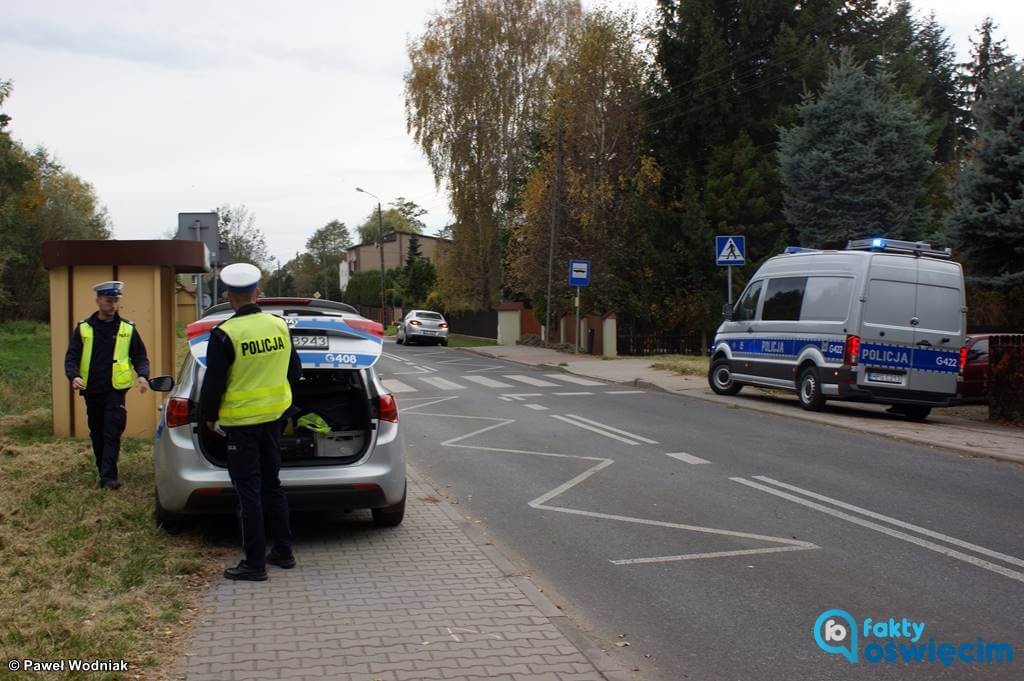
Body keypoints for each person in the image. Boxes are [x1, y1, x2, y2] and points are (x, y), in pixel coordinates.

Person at [199, 263, 302, 581]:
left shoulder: (224, 334)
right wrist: (288, 408)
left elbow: (213, 384)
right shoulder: (279, 326)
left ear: (229, 296)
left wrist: (206, 417)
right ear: (258, 292)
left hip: (241, 425)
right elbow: (294, 371)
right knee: (273, 484)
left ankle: (254, 564)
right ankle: (283, 552)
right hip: (274, 419)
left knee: (248, 492)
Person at [64, 281, 150, 490]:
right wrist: (73, 376)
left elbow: (140, 356)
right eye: (109, 301)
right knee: (98, 432)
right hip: (92, 389)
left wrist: (143, 375)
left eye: (116, 301)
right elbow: (71, 357)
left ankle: (108, 478)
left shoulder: (127, 329)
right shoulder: (83, 328)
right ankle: (103, 469)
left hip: (115, 391)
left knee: (112, 430)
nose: (113, 305)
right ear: (98, 301)